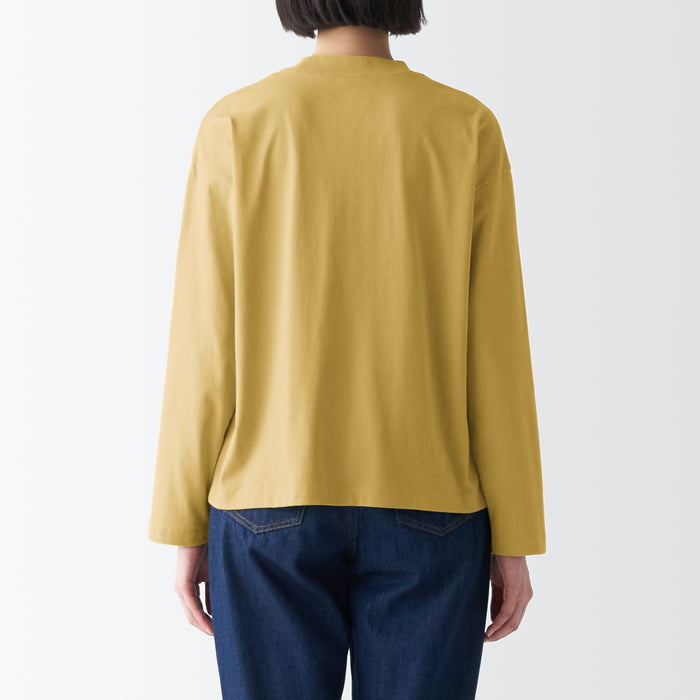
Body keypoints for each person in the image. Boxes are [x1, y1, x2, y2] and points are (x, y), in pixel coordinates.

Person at [147, 1, 547, 697]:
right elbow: (497, 350)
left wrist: (181, 520)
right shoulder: (464, 126)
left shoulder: (238, 124)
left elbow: (204, 343)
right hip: (433, 504)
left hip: (267, 501)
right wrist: (515, 534)